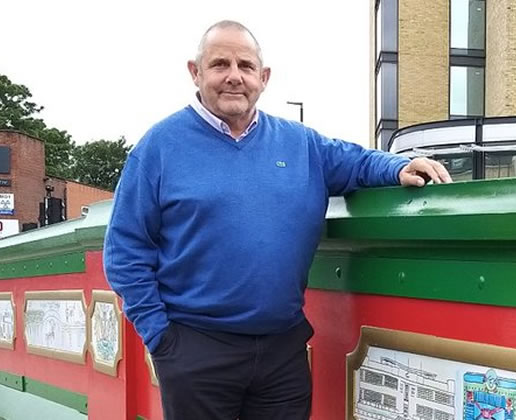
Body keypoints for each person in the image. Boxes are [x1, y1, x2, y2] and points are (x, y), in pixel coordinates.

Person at [103, 20, 452, 420]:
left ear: (263, 78)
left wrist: (399, 166)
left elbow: (355, 161)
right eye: (219, 65)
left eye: (246, 66)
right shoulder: (158, 148)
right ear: (195, 73)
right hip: (195, 347)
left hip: (282, 349)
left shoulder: (300, 143)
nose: (234, 76)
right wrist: (162, 339)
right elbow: (125, 250)